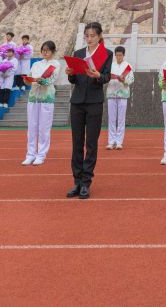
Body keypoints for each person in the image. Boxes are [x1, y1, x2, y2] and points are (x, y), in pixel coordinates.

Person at [66, 22, 112, 200]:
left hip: (94, 102)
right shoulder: (79, 53)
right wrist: (71, 73)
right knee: (77, 142)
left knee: (91, 144)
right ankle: (77, 181)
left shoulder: (106, 54)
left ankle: (86, 182)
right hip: (77, 101)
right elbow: (73, 80)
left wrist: (98, 75)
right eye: (87, 36)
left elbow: (107, 77)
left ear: (99, 36)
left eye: (93, 36)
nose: (89, 39)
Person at [22, 41, 59, 166]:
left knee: (44, 128)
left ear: (53, 51)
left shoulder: (56, 64)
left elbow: (51, 80)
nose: (45, 52)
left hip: (46, 98)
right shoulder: (36, 64)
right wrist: (27, 80)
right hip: (33, 98)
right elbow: (30, 78)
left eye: (47, 50)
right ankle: (30, 154)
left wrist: (41, 80)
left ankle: (41, 154)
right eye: (43, 50)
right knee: (32, 127)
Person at [106, 46, 135, 150]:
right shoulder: (110, 65)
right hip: (111, 94)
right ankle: (111, 141)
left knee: (121, 119)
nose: (119, 57)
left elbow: (131, 80)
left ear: (123, 55)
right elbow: (106, 77)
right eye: (117, 55)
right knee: (111, 119)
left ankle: (119, 142)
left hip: (123, 95)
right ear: (115, 55)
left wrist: (124, 80)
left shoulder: (128, 66)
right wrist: (111, 77)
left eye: (120, 55)